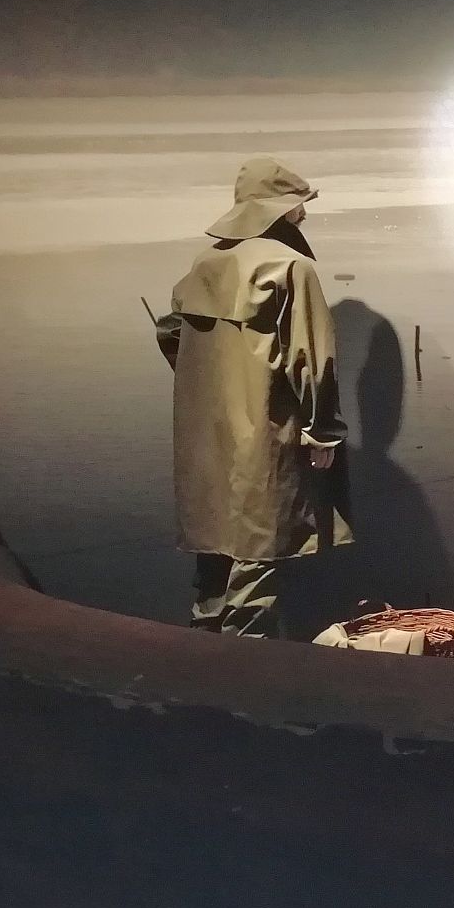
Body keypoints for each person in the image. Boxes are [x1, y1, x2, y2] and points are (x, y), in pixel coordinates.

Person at [156, 157, 348, 639]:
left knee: (215, 549)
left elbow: (171, 332)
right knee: (258, 554)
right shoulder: (290, 267)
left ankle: (202, 660)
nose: (303, 212)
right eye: (298, 203)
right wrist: (322, 432)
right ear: (279, 208)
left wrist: (213, 382)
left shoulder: (206, 262)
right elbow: (312, 359)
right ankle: (246, 669)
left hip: (207, 434)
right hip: (265, 430)